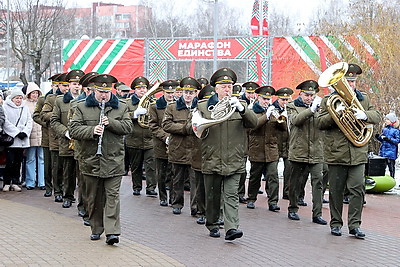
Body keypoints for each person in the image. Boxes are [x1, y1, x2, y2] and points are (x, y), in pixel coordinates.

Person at [317, 63, 381, 239]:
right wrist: (335, 113)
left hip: (358, 152)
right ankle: (336, 223)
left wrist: (364, 116)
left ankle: (354, 225)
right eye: (347, 82)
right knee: (336, 191)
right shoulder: (328, 101)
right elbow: (320, 123)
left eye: (352, 82)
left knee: (358, 189)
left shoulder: (364, 99)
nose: (350, 85)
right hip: (337, 153)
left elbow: (377, 115)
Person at [69, 74, 133, 245]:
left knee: (112, 196)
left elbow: (128, 127)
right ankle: (96, 228)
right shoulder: (82, 107)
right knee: (94, 197)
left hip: (113, 160)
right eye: (100, 91)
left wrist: (111, 122)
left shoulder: (121, 106)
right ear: (93, 90)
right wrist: (91, 131)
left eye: (106, 91)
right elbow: (74, 129)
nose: (103, 95)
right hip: (90, 160)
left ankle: (112, 232)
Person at [196, 68, 257, 240]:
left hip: (234, 158)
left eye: (229, 86)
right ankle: (213, 224)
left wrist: (242, 110)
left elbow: (254, 123)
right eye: (223, 86)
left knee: (231, 195)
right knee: (213, 196)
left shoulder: (241, 105)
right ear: (215, 88)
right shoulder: (203, 106)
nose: (227, 89)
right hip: (212, 157)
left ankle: (231, 228)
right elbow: (193, 127)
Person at [286, 80, 327, 225]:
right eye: (306, 95)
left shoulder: (320, 108)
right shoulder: (292, 106)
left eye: (312, 95)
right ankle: (292, 208)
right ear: (300, 94)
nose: (309, 98)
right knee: (296, 182)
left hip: (316, 151)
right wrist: (311, 110)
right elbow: (296, 121)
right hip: (299, 150)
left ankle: (317, 214)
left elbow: (324, 124)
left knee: (318, 182)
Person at [162, 77, 200, 215]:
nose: (188, 95)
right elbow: (166, 124)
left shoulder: (200, 108)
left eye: (191, 92)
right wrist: (185, 128)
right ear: (182, 92)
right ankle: (177, 203)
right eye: (186, 92)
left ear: (195, 94)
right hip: (178, 148)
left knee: (195, 181)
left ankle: (195, 207)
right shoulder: (172, 107)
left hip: (195, 150)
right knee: (177, 179)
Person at [51, 69, 84, 208]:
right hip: (67, 142)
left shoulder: (87, 101)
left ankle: (83, 204)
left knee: (82, 176)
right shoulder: (60, 101)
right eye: (74, 83)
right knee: (68, 173)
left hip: (83, 143)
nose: (77, 86)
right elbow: (54, 121)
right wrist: (65, 132)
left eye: (79, 84)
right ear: (68, 85)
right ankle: (68, 197)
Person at [246, 85, 283, 212]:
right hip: (257, 149)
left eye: (268, 99)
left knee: (273, 176)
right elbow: (252, 127)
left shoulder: (273, 111)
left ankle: (273, 202)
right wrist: (266, 116)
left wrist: (281, 118)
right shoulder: (251, 111)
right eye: (264, 99)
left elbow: (283, 130)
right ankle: (251, 199)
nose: (266, 102)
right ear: (258, 98)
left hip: (271, 149)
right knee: (255, 176)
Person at [149, 80, 177, 207]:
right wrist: (165, 137)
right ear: (163, 92)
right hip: (160, 144)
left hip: (175, 144)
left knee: (173, 173)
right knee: (161, 173)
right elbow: (153, 125)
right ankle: (162, 196)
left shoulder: (178, 105)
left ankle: (172, 197)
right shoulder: (155, 106)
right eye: (168, 92)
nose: (170, 95)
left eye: (172, 92)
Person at [126, 76, 157, 196]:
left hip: (149, 139)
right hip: (133, 138)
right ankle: (137, 186)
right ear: (134, 90)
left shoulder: (153, 102)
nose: (143, 91)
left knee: (151, 165)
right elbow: (123, 116)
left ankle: (151, 187)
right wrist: (134, 114)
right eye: (139, 88)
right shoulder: (128, 103)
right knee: (136, 165)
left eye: (144, 88)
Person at [41, 72, 68, 202]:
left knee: (69, 168)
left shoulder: (75, 98)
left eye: (69, 85)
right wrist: (57, 115)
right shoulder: (51, 99)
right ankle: (56, 190)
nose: (66, 88)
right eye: (64, 85)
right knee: (56, 166)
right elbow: (43, 115)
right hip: (56, 137)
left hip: (70, 137)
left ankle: (67, 191)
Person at [2, 89, 33, 192]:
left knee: (18, 162)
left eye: (20, 98)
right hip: (11, 139)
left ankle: (15, 182)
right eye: (16, 98)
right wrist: (16, 132)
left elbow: (29, 121)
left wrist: (25, 132)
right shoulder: (5, 107)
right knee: (9, 162)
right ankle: (7, 182)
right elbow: (5, 122)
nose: (19, 100)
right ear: (12, 98)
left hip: (22, 140)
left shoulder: (25, 108)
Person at [271, 87, 293, 200]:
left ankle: (287, 192)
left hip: (288, 143)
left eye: (287, 100)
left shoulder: (291, 109)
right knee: (273, 172)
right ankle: (272, 195)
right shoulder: (272, 109)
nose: (285, 102)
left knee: (288, 170)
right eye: (282, 100)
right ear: (278, 99)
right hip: (275, 142)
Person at [25, 82, 45, 190]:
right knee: (30, 158)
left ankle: (42, 182)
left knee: (42, 158)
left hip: (41, 135)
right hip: (30, 135)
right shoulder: (25, 105)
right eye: (33, 93)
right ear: (29, 94)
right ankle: (30, 182)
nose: (35, 95)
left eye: (37, 93)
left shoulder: (41, 104)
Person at [375, 113, 400, 178]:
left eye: (387, 119)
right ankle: (381, 178)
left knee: (391, 167)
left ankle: (392, 178)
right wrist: (378, 137)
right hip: (383, 152)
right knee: (382, 167)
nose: (385, 120)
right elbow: (383, 140)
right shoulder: (384, 129)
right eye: (385, 119)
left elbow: (397, 141)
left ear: (392, 121)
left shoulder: (396, 131)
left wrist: (389, 139)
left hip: (391, 153)